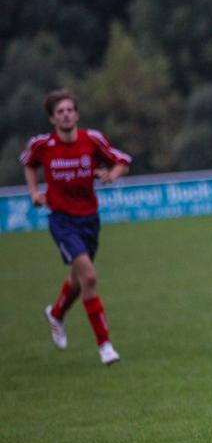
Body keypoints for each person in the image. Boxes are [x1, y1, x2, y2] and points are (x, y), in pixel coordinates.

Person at [20, 89, 132, 365]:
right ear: (52, 118)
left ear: (77, 114)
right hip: (62, 220)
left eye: (70, 110)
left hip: (89, 219)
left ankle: (56, 313)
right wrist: (34, 193)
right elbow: (28, 163)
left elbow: (123, 161)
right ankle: (105, 345)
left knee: (77, 280)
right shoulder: (42, 145)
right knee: (90, 278)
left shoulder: (92, 140)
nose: (66, 114)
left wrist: (111, 175)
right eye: (60, 111)